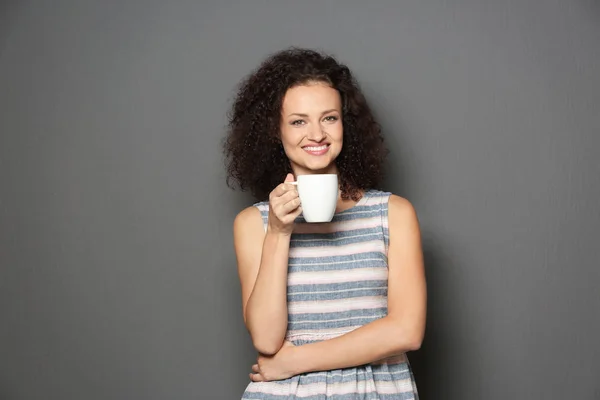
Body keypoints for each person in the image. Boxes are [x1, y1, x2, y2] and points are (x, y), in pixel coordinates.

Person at [223, 47, 427, 399]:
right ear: (276, 131)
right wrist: (278, 232)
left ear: (345, 123)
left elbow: (407, 331)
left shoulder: (393, 213)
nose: (316, 134)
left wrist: (295, 362)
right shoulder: (254, 223)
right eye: (298, 121)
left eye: (329, 118)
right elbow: (267, 339)